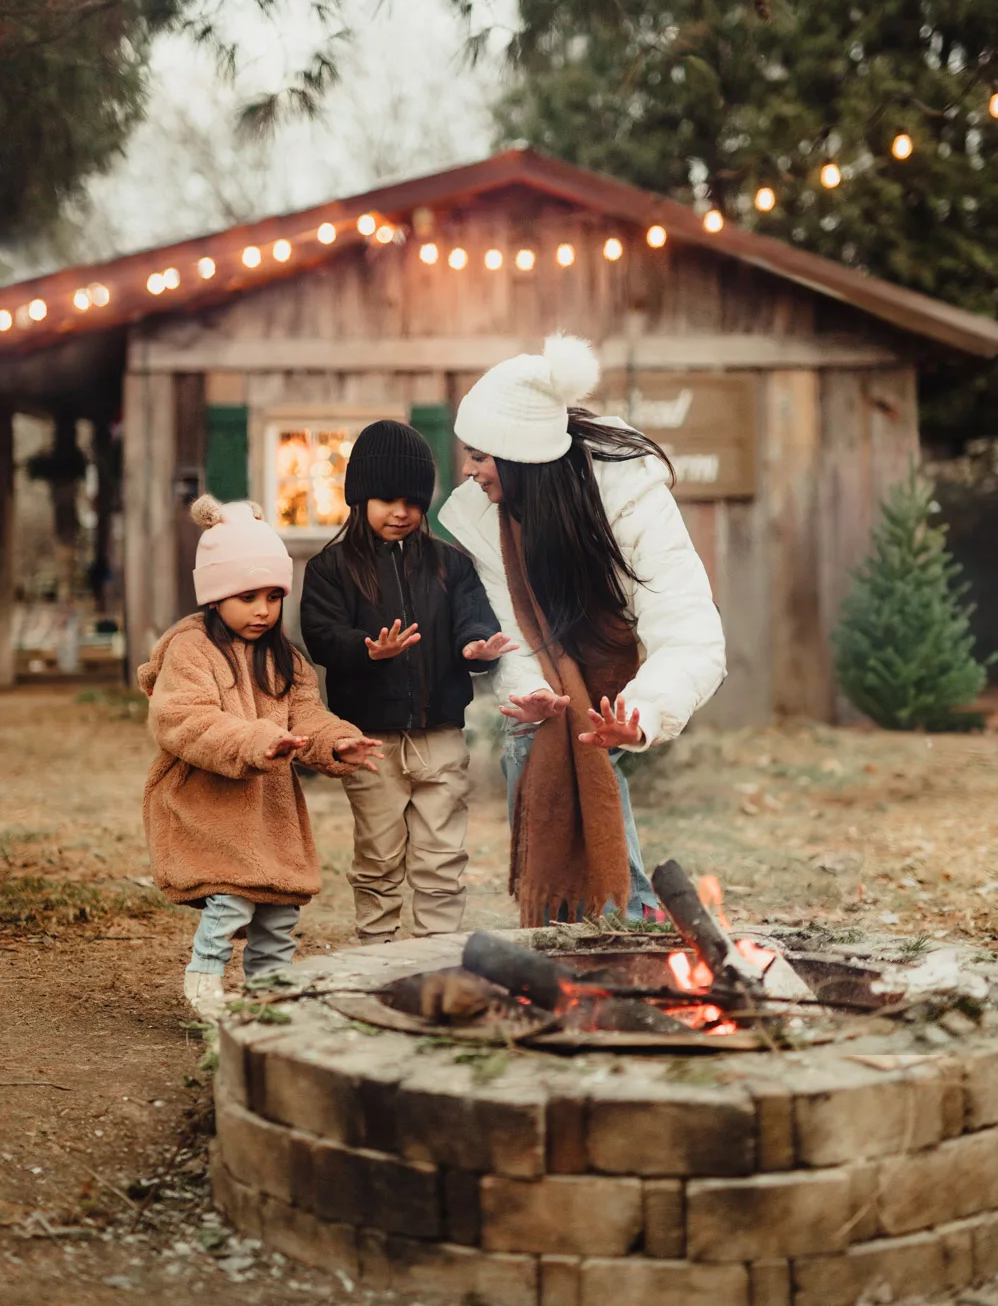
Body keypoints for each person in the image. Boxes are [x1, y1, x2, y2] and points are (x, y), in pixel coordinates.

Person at [438, 333, 727, 927]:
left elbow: (691, 630)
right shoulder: (489, 517)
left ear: (520, 458)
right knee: (537, 743)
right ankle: (573, 927)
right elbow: (518, 628)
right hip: (556, 665)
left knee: (591, 741)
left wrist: (641, 714)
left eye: (481, 456)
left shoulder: (628, 497)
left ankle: (626, 917)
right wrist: (531, 698)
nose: (469, 471)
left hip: (609, 647)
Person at [139, 495, 381, 1021]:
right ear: (215, 595)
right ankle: (204, 979)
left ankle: (269, 996)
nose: (263, 609)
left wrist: (336, 742)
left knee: (277, 910)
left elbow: (307, 716)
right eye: (247, 596)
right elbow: (184, 720)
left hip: (268, 811)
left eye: (273, 596)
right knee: (232, 898)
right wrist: (253, 740)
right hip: (208, 803)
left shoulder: (284, 657)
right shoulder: (192, 650)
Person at [299, 420, 516, 942]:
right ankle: (377, 957)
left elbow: (473, 617)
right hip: (369, 740)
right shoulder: (331, 568)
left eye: (414, 502)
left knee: (442, 856)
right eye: (387, 499)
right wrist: (367, 650)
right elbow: (321, 635)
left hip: (439, 734)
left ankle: (435, 957)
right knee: (378, 855)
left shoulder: (450, 565)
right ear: (359, 497)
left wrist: (477, 646)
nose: (402, 512)